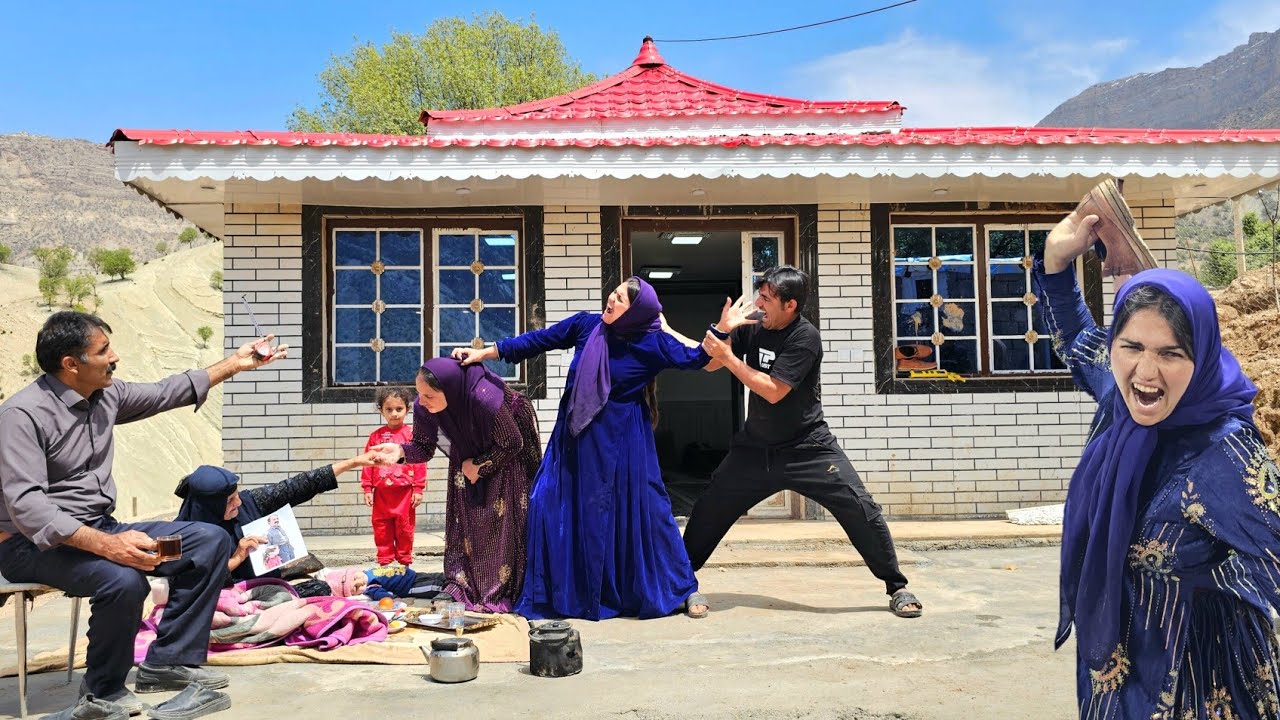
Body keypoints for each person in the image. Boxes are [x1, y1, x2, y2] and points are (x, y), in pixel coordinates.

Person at [1037, 208, 1280, 718]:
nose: (1146, 373)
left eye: (1171, 354)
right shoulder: (1119, 400)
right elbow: (1079, 344)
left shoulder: (1223, 451)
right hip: (1118, 667)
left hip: (1198, 674)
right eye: (1131, 347)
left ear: (1202, 357)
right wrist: (1056, 263)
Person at [0, 311, 286, 720]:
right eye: (103, 350)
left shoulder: (105, 395)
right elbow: (28, 507)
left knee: (208, 541)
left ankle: (166, 662)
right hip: (33, 546)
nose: (114, 357)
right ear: (71, 364)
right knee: (123, 579)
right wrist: (109, 547)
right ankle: (103, 692)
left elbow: (167, 391)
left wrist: (236, 364)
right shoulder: (22, 416)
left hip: (102, 529)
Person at [449, 277, 713, 620]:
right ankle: (561, 592)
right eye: (614, 293)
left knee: (647, 509)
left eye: (620, 299)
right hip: (574, 438)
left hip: (624, 441)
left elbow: (698, 359)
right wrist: (483, 352)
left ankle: (682, 586)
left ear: (635, 312)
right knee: (545, 503)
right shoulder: (587, 326)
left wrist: (713, 329)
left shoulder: (652, 343)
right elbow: (536, 341)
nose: (611, 299)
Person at [687, 266, 922, 619]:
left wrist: (729, 357)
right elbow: (709, 366)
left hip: (808, 448)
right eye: (759, 296)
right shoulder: (757, 326)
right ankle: (680, 584)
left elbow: (773, 390)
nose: (758, 304)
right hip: (755, 450)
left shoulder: (805, 337)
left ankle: (896, 586)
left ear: (790, 305)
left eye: (767, 299)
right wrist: (723, 330)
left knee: (861, 508)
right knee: (708, 510)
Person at [371, 357, 541, 612]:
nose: (422, 402)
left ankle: (498, 590)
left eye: (429, 395)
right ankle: (462, 585)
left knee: (500, 524)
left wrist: (480, 465)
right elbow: (422, 447)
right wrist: (399, 451)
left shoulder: (484, 399)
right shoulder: (424, 407)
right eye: (419, 394)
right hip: (465, 456)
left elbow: (513, 443)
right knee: (467, 523)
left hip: (506, 457)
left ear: (450, 390)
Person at [174, 452, 378, 580]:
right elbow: (191, 579)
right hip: (232, 593)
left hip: (269, 582)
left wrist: (353, 462)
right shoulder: (184, 535)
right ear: (208, 506)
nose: (238, 503)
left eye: (236, 496)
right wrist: (238, 557)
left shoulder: (249, 502)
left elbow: (299, 486)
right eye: (229, 501)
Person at [360, 387, 425, 566]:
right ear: (381, 410)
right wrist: (367, 488)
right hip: (381, 494)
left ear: (407, 409)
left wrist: (418, 488)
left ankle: (404, 561)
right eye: (389, 409)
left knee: (405, 528)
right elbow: (368, 462)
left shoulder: (412, 436)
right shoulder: (376, 437)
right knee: (381, 527)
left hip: (405, 494)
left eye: (399, 409)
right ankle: (385, 561)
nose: (394, 414)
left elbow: (420, 462)